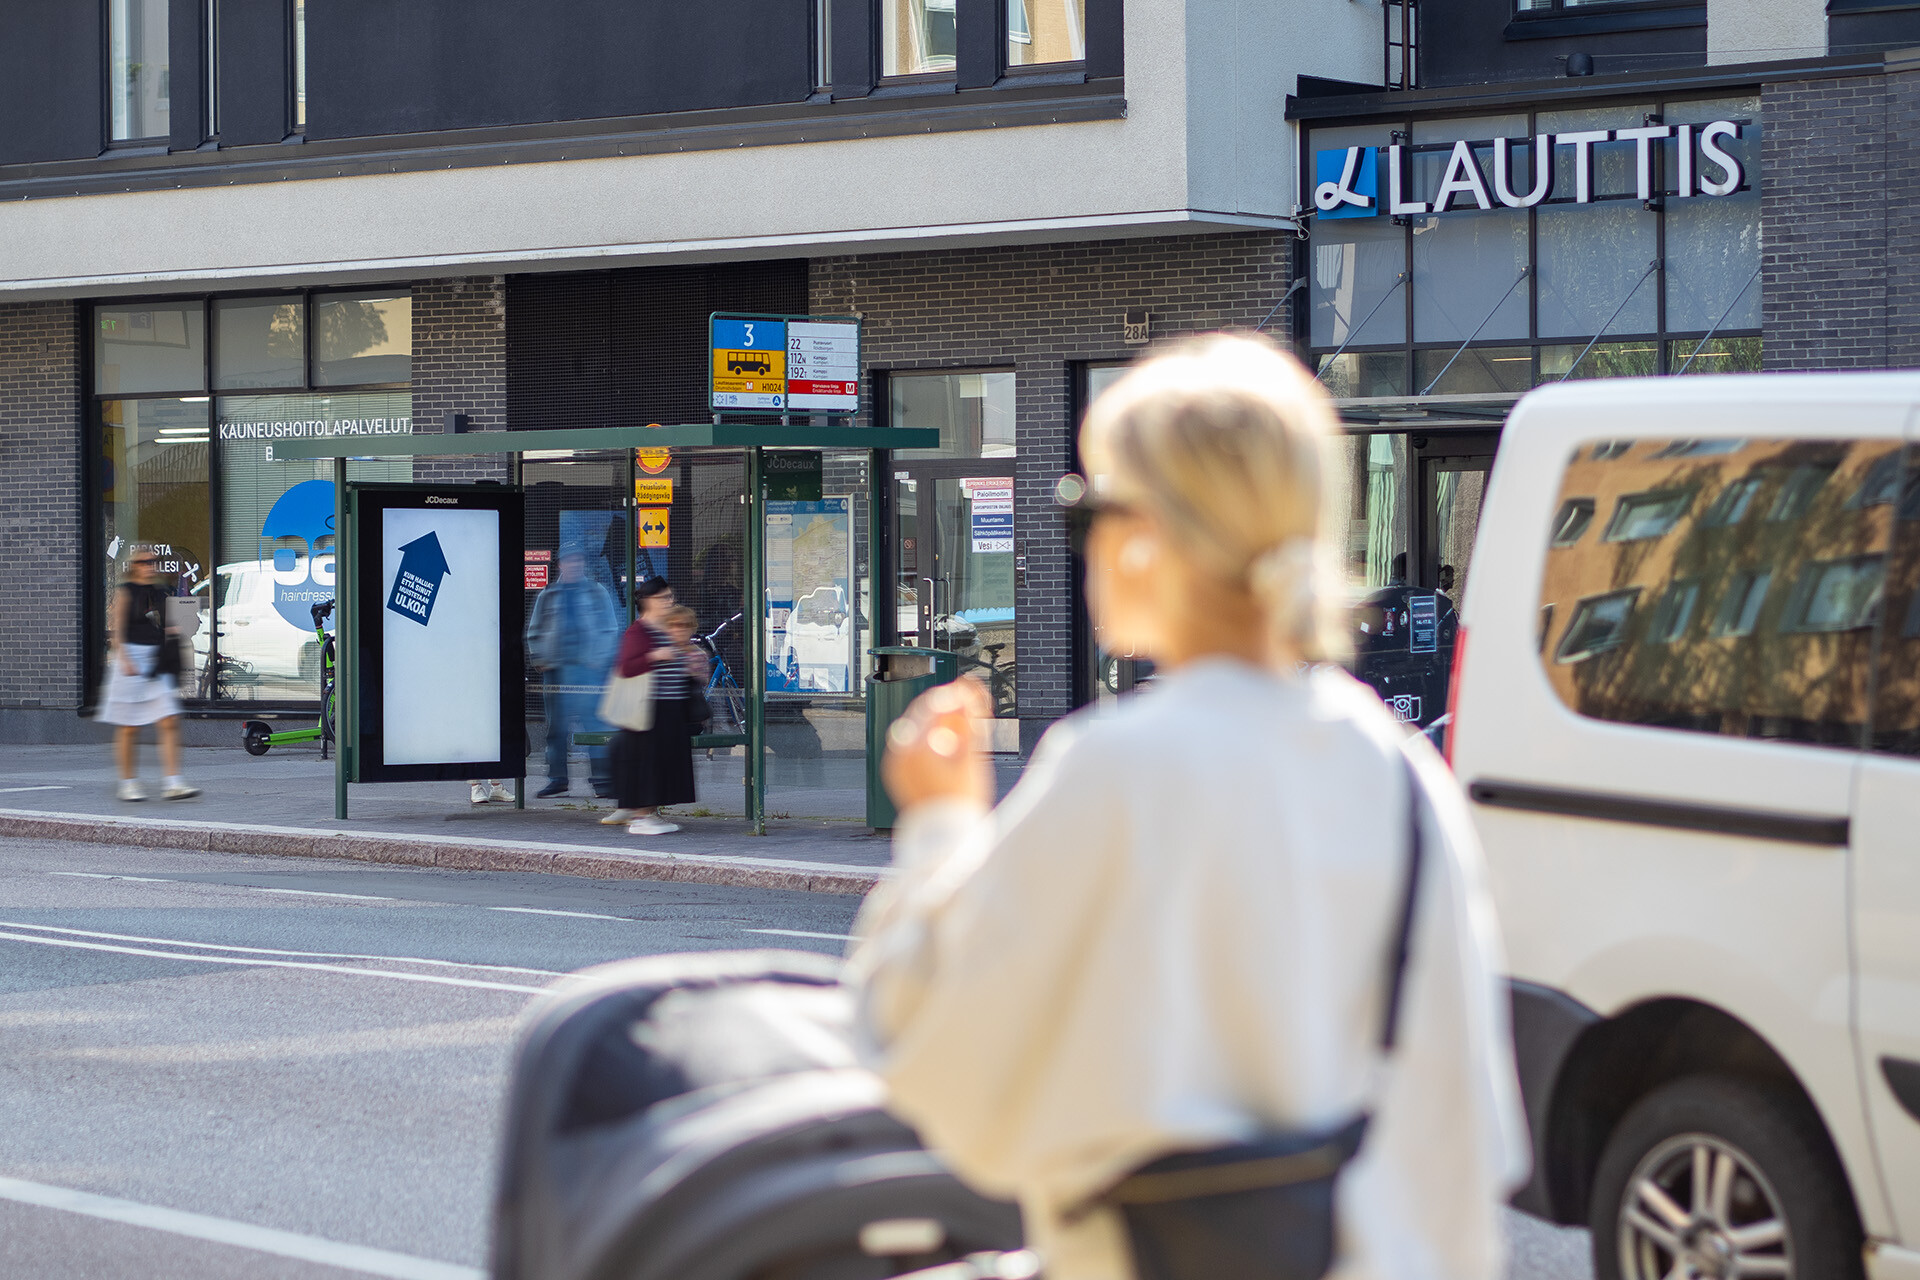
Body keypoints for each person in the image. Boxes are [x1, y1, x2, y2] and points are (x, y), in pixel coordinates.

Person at [848, 335, 1527, 1280]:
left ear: (1146, 534)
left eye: (1087, 509)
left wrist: (939, 827)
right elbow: (1467, 1144)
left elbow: (939, 1078)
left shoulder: (1117, 768)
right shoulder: (1402, 778)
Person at [100, 545, 200, 801]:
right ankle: (128, 783)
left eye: (153, 562)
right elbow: (118, 629)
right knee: (128, 726)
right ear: (135, 566)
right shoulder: (126, 592)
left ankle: (173, 782)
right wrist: (124, 659)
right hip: (131, 662)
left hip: (156, 660)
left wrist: (171, 634)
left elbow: (161, 622)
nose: (149, 566)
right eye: (144, 562)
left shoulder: (158, 591)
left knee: (168, 720)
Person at [526, 545, 621, 798]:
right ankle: (557, 779)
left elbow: (610, 629)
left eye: (578, 559)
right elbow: (535, 630)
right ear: (560, 565)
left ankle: (602, 779)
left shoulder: (596, 591)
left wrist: (600, 661)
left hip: (588, 670)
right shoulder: (548, 594)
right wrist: (540, 660)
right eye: (569, 560)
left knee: (594, 724)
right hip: (556, 671)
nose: (575, 564)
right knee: (556, 728)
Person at [605, 577, 695, 835]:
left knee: (664, 761)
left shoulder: (663, 628)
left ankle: (649, 813)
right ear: (648, 602)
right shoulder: (640, 630)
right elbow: (627, 666)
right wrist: (658, 655)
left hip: (668, 706)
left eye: (670, 597)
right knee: (650, 761)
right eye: (664, 598)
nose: (670, 601)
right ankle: (642, 817)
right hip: (649, 707)